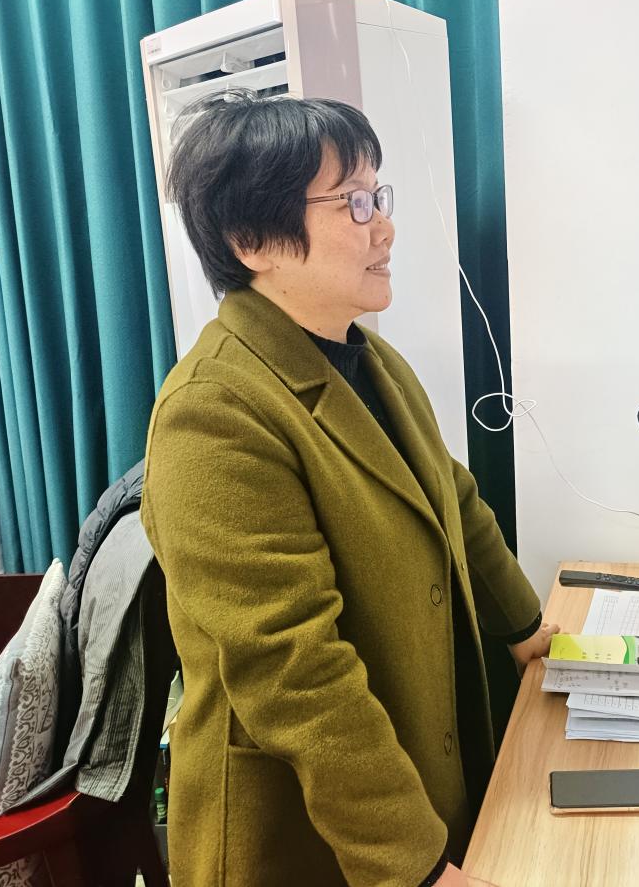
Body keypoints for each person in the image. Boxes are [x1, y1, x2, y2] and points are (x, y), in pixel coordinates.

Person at [141, 90, 557, 887]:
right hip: (297, 842)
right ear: (253, 239)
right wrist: (416, 866)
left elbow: (453, 498)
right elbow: (295, 671)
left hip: (413, 787)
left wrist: (527, 627)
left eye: (378, 194)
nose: (384, 226)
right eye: (354, 202)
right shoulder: (213, 413)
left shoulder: (369, 358)